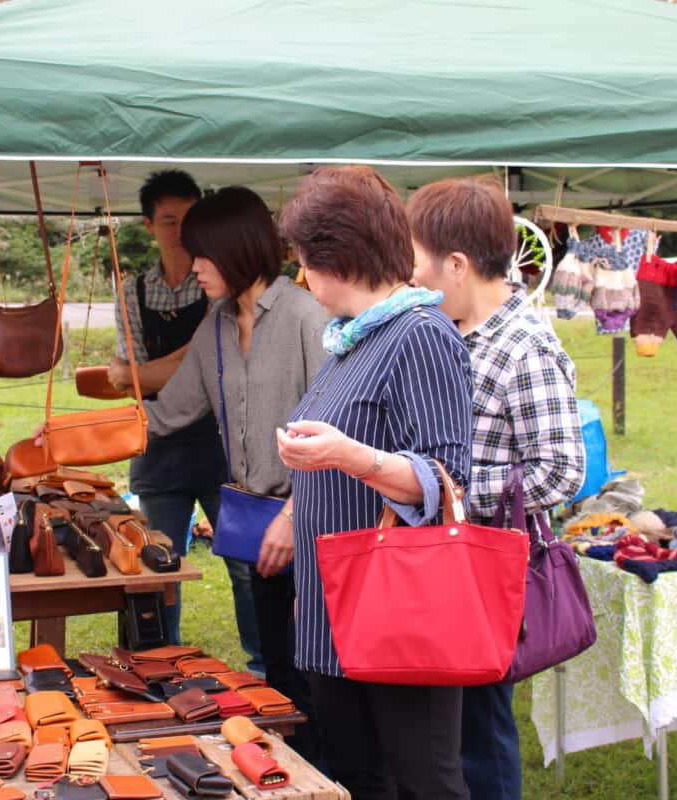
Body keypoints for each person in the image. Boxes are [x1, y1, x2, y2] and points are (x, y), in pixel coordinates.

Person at [275, 165, 473, 799]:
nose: (302, 277)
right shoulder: (351, 342)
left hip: (400, 612)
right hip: (341, 609)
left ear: (335, 258)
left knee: (423, 784)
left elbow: (447, 484)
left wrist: (349, 456)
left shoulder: (421, 336)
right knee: (362, 779)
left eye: (304, 261)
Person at [406, 178, 586, 800]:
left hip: (485, 573)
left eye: (417, 263)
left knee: (481, 735)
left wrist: (447, 493)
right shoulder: (444, 330)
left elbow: (562, 469)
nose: (411, 278)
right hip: (440, 563)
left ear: (456, 265)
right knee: (443, 735)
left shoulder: (525, 347)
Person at [141, 185, 329, 764]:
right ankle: (287, 772)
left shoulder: (306, 317)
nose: (192, 266)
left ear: (236, 248)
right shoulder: (216, 327)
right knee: (276, 672)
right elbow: (168, 413)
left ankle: (327, 773)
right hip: (259, 531)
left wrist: (297, 516)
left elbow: (340, 434)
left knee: (322, 681)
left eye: (203, 254)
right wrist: (69, 441)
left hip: (318, 529)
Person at [105, 170, 260, 665]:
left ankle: (264, 663)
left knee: (244, 562)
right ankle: (155, 665)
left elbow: (146, 371)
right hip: (157, 445)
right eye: (169, 221)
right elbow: (120, 372)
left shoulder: (217, 287)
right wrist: (154, 372)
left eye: (188, 220)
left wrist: (140, 374)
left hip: (222, 446)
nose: (179, 231)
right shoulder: (133, 287)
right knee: (154, 563)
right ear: (149, 225)